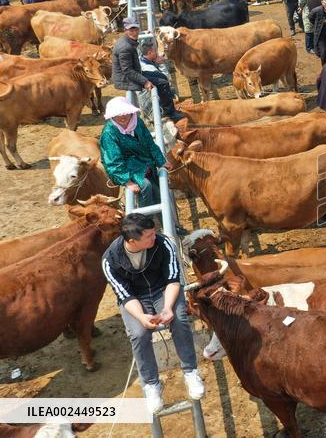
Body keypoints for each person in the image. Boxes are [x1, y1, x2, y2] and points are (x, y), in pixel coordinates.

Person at [102, 214, 204, 415]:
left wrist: (167, 308)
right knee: (138, 333)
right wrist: (141, 317)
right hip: (135, 299)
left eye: (154, 232)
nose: (154, 237)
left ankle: (190, 371)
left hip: (163, 290)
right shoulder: (110, 260)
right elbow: (124, 295)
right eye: (148, 236)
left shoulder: (164, 244)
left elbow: (173, 279)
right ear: (132, 241)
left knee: (179, 319)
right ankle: (151, 384)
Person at [99, 97, 167, 210]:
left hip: (146, 163)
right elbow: (113, 161)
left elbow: (150, 143)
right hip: (128, 168)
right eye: (118, 114)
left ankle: (163, 218)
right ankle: (142, 218)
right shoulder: (109, 133)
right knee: (146, 186)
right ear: (112, 116)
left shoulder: (137, 122)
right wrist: (127, 181)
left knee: (158, 192)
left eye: (125, 112)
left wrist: (161, 161)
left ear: (131, 112)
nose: (123, 117)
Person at [138, 42, 183, 121]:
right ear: (150, 53)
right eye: (155, 51)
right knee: (165, 84)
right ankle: (170, 113)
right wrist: (161, 64)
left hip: (146, 100)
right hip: (150, 105)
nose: (157, 53)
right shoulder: (148, 68)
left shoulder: (141, 59)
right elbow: (165, 78)